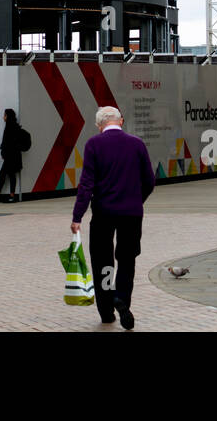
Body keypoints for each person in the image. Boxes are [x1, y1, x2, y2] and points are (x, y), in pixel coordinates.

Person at [70, 106, 154, 330]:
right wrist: (137, 200)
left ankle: (106, 309)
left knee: (103, 260)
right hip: (132, 214)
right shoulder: (137, 144)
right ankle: (122, 299)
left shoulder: (94, 145)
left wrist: (77, 215)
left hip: (103, 213)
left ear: (99, 126)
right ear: (121, 121)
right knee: (127, 259)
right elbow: (149, 181)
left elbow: (86, 184)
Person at [0, 108, 26, 203]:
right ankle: (11, 196)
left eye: (4, 115)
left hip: (10, 156)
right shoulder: (14, 126)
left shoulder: (9, 127)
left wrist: (4, 152)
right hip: (14, 155)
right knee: (11, 174)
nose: (3, 117)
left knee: (3, 174)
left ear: (8, 116)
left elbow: (7, 142)